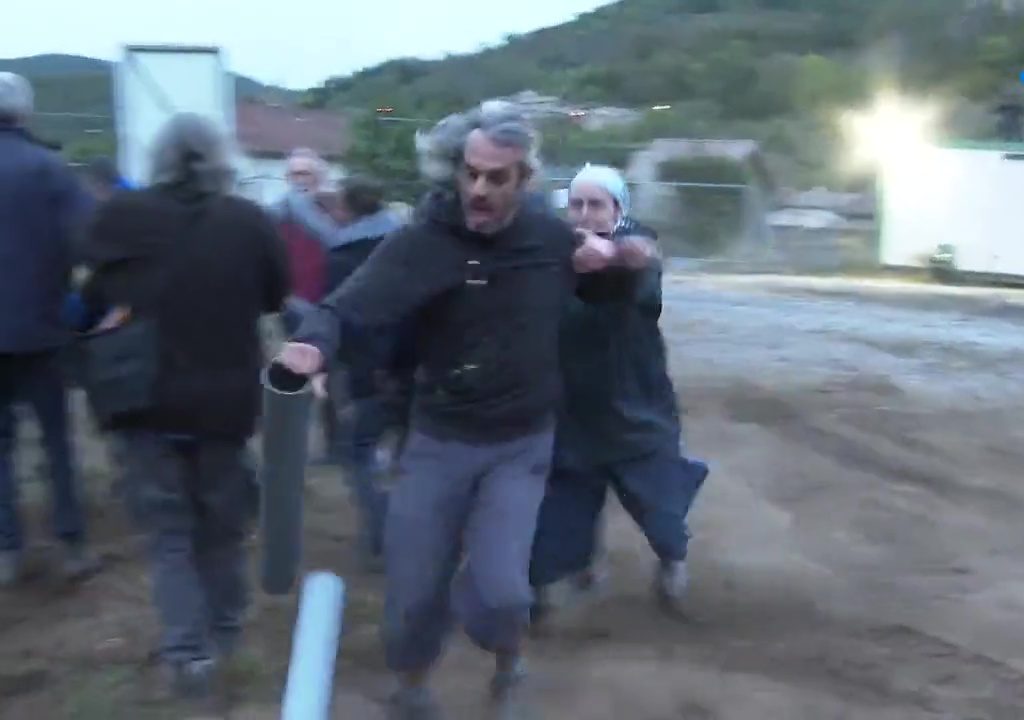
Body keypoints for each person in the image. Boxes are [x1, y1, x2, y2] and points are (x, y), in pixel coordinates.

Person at [277, 102, 639, 719]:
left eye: (497, 178)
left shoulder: (550, 239)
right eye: (471, 172)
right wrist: (312, 343)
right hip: (439, 438)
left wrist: (626, 259)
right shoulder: (424, 242)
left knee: (502, 593)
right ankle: (412, 683)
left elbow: (614, 277)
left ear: (524, 181)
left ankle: (507, 661)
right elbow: (346, 307)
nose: (479, 188)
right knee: (414, 592)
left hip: (520, 443)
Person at [81, 112, 289, 698]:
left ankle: (187, 653)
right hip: (224, 402)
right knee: (220, 529)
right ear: (221, 158)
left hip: (142, 399)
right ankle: (222, 633)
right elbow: (276, 294)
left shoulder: (120, 217)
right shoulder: (249, 222)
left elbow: (92, 297)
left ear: (160, 157)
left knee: (168, 532)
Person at [529, 165, 709, 622]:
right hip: (570, 407)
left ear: (617, 209)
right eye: (577, 205)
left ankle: (672, 562)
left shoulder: (636, 251)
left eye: (597, 204)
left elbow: (639, 266)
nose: (585, 214)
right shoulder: (553, 252)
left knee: (660, 506)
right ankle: (550, 587)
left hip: (634, 405)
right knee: (562, 509)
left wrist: (616, 256)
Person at [0, 72, 98, 587]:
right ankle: (71, 542)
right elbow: (90, 245)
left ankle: (7, 548)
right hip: (42, 330)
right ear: (25, 112)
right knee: (57, 440)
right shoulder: (49, 169)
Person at [284, 174, 410, 570]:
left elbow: (347, 319)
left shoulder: (343, 258)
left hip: (371, 372)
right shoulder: (408, 244)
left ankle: (383, 536)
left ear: (347, 209)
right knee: (411, 455)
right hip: (416, 369)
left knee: (357, 453)